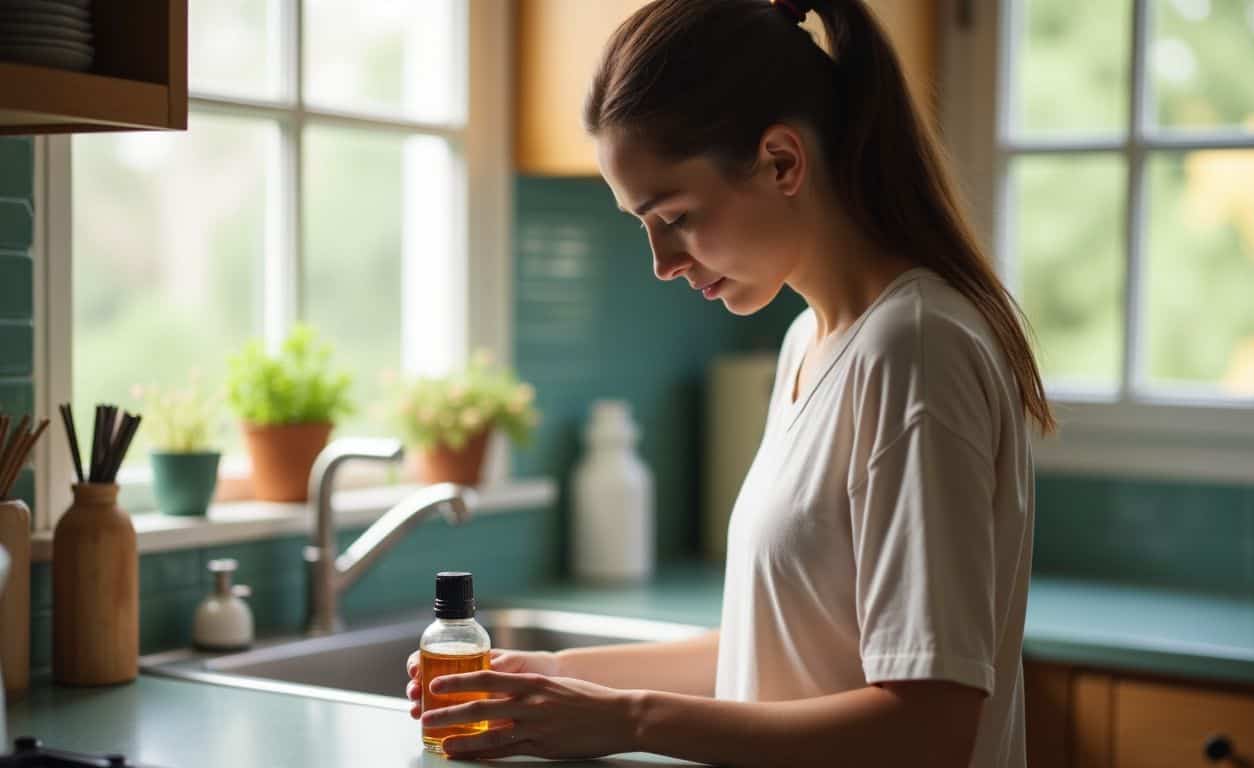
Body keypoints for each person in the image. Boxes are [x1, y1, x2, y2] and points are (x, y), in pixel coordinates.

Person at [405, 0, 1052, 764]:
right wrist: (550, 678)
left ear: (782, 161)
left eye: (675, 215)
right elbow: (772, 650)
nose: (662, 262)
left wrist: (630, 721)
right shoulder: (808, 342)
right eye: (643, 224)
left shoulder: (914, 351)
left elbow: (928, 728)